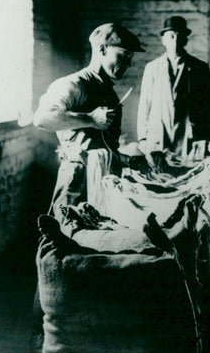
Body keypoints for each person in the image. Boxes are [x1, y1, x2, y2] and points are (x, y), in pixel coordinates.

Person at [33, 21, 144, 217]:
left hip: (104, 179)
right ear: (102, 49)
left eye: (130, 58)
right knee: (67, 238)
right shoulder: (75, 83)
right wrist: (90, 119)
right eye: (123, 55)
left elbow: (100, 143)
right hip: (78, 183)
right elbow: (42, 118)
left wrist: (125, 159)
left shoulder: (106, 90)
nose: (128, 63)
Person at [137, 15, 210, 157]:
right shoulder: (152, 68)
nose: (176, 40)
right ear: (164, 40)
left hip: (189, 135)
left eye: (180, 36)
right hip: (159, 136)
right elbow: (145, 105)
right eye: (171, 36)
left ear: (185, 40)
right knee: (159, 175)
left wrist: (206, 139)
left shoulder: (200, 68)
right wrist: (143, 137)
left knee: (189, 175)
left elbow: (208, 108)